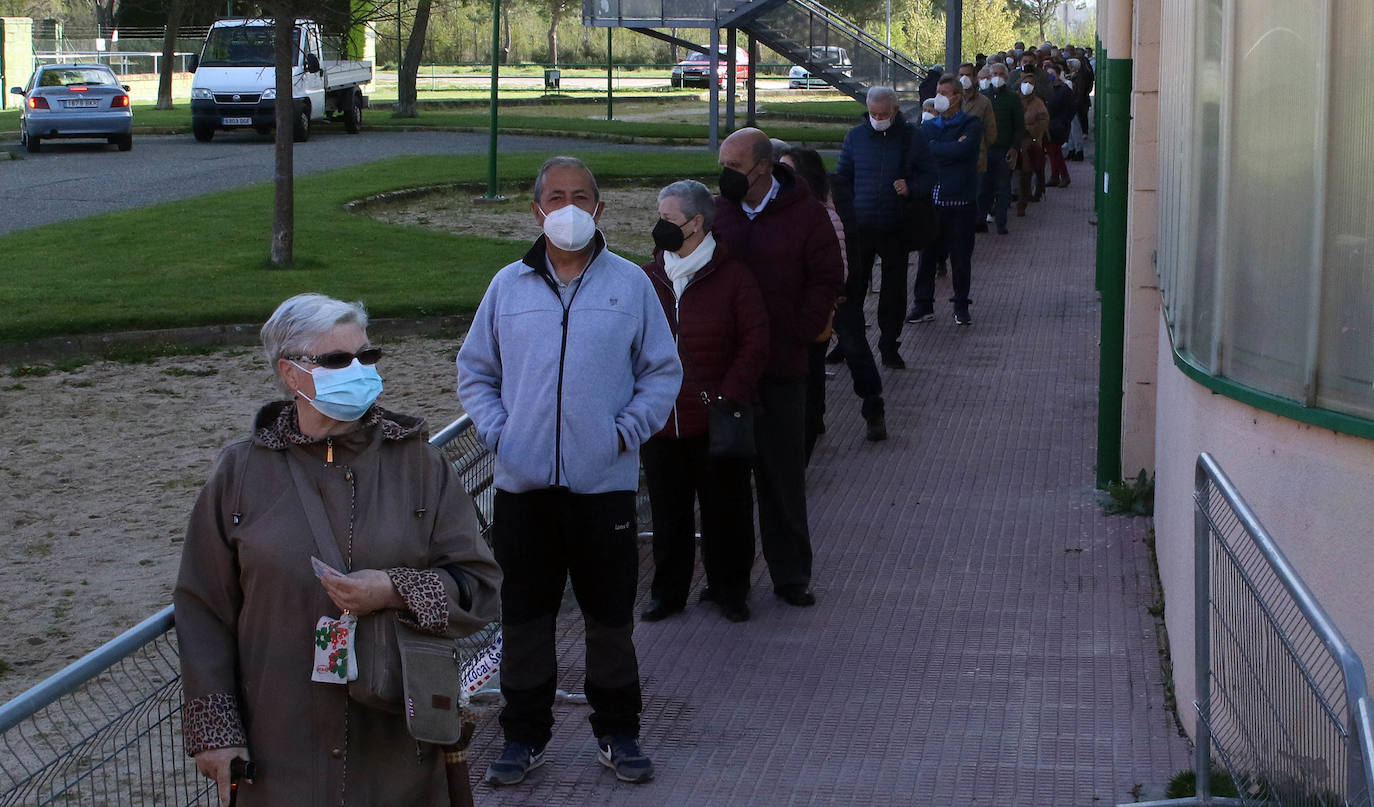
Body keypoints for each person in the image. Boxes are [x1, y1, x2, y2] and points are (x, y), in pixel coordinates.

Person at [175, 293, 503, 806]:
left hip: (397, 752)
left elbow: (480, 587)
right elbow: (202, 609)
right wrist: (215, 733)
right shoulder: (239, 473)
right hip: (278, 753)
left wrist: (395, 589)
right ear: (291, 373)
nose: (358, 370)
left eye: (366, 356)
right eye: (336, 359)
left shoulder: (421, 465)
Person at [457, 156, 683, 787]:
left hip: (603, 489)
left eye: (581, 196)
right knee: (524, 620)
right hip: (523, 490)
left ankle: (618, 732)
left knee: (609, 620)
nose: (569, 207)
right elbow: (475, 370)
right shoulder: (507, 287)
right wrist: (501, 433)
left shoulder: (631, 285)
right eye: (556, 196)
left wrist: (623, 432)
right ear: (537, 210)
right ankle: (523, 737)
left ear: (599, 208)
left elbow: (662, 371)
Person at [713, 127, 844, 608]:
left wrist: (799, 331)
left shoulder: (806, 215)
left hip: (783, 368)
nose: (725, 175)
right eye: (722, 166)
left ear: (764, 167)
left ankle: (791, 576)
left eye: (734, 167)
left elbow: (828, 277)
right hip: (726, 371)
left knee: (782, 478)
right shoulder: (719, 212)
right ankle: (728, 581)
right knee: (726, 481)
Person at [639, 180, 769, 624]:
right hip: (661, 419)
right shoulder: (648, 277)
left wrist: (727, 395)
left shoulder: (733, 276)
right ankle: (667, 593)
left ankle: (730, 590)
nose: (660, 226)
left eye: (668, 219)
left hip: (717, 418)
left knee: (726, 512)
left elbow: (755, 341)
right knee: (668, 514)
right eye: (659, 217)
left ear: (697, 222)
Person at [783, 145, 887, 447]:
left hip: (837, 292)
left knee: (854, 347)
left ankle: (873, 409)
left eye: (788, 170)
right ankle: (814, 419)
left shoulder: (828, 205)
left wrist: (842, 289)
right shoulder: (792, 204)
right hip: (809, 295)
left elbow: (848, 245)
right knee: (813, 360)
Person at [835, 85, 935, 370]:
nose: (878, 119)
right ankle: (847, 342)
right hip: (860, 226)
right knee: (852, 288)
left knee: (893, 292)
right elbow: (842, 177)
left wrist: (911, 187)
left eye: (883, 114)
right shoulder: (855, 137)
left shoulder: (912, 138)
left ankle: (889, 344)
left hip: (896, 226)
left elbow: (930, 175)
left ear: (895, 110)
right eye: (873, 114)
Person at [910, 74, 983, 327]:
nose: (939, 98)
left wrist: (936, 148)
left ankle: (961, 305)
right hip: (933, 203)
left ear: (958, 97)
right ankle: (923, 304)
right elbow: (921, 154)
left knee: (960, 258)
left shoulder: (971, 124)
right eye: (937, 93)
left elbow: (963, 152)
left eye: (945, 93)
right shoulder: (929, 127)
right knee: (926, 257)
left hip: (961, 203)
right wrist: (946, 148)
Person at [977, 61, 1023, 235]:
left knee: (1003, 188)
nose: (998, 77)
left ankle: (1001, 223)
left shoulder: (1012, 98)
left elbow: (1019, 126)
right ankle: (980, 221)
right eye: (994, 74)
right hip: (984, 150)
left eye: (1001, 74)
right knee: (983, 188)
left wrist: (1014, 148)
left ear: (1006, 76)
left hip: (1003, 150)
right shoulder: (982, 97)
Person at [1017, 71, 1050, 216]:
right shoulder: (1015, 100)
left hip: (1031, 141)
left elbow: (1044, 121)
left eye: (1030, 83)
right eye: (1025, 82)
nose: (1027, 86)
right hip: (1015, 140)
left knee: (1029, 169)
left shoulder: (1038, 103)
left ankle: (1026, 198)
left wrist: (1030, 129)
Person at [1043, 61, 1076, 187]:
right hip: (1048, 125)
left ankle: (1064, 176)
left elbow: (1070, 108)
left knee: (1055, 151)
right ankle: (1055, 176)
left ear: (1057, 74)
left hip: (1058, 126)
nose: (1050, 76)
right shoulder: (1046, 89)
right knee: (1052, 152)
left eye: (1052, 73)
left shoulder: (1064, 90)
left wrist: (1063, 122)